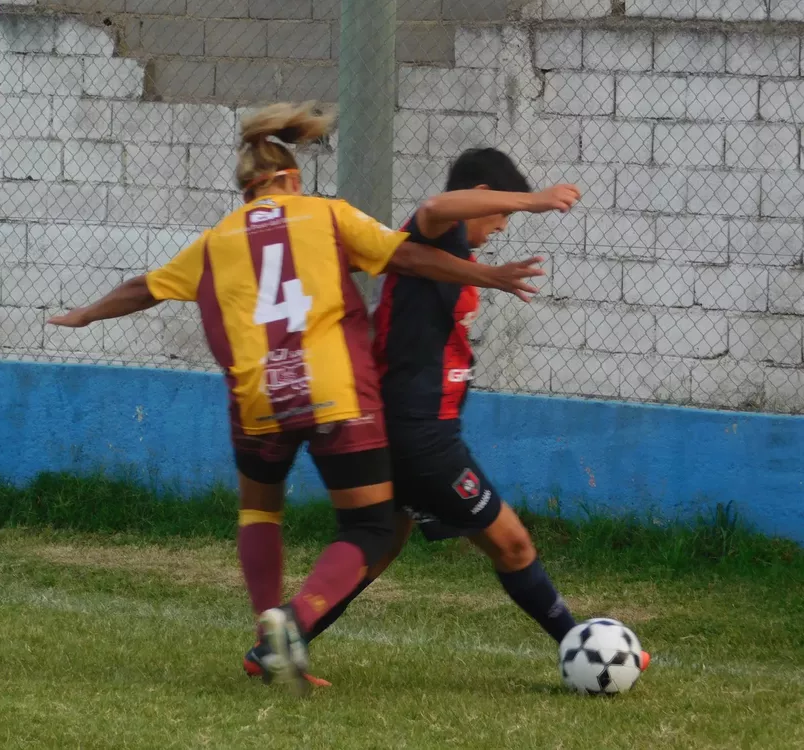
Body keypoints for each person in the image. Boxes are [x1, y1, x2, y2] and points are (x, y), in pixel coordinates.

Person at [48, 104, 550, 696]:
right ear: (292, 178)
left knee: (260, 512)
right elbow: (409, 256)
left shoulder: (215, 241)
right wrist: (487, 275)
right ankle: (291, 626)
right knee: (369, 526)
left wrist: (86, 314)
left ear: (246, 190)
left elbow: (143, 288)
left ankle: (269, 638)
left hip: (258, 399)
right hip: (335, 394)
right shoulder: (328, 215)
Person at [244, 147, 650, 686]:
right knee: (512, 544)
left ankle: (276, 645)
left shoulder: (448, 253)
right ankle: (584, 648)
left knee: (376, 547)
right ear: (480, 197)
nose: (500, 229)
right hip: (422, 436)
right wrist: (532, 200)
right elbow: (436, 206)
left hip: (401, 427)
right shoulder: (439, 232)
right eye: (499, 216)